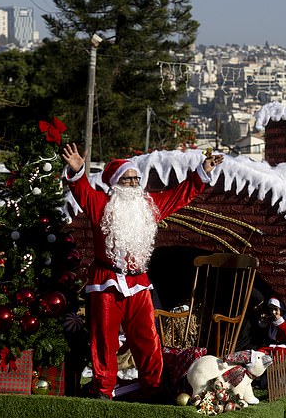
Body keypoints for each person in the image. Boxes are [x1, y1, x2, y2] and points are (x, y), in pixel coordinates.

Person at [62, 143, 223, 400]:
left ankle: (154, 388)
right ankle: (103, 390)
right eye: (127, 180)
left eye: (137, 179)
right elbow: (81, 191)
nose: (134, 184)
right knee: (104, 340)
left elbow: (179, 194)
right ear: (116, 184)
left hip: (138, 283)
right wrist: (79, 170)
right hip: (107, 283)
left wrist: (203, 171)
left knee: (148, 339)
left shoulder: (148, 206)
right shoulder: (102, 206)